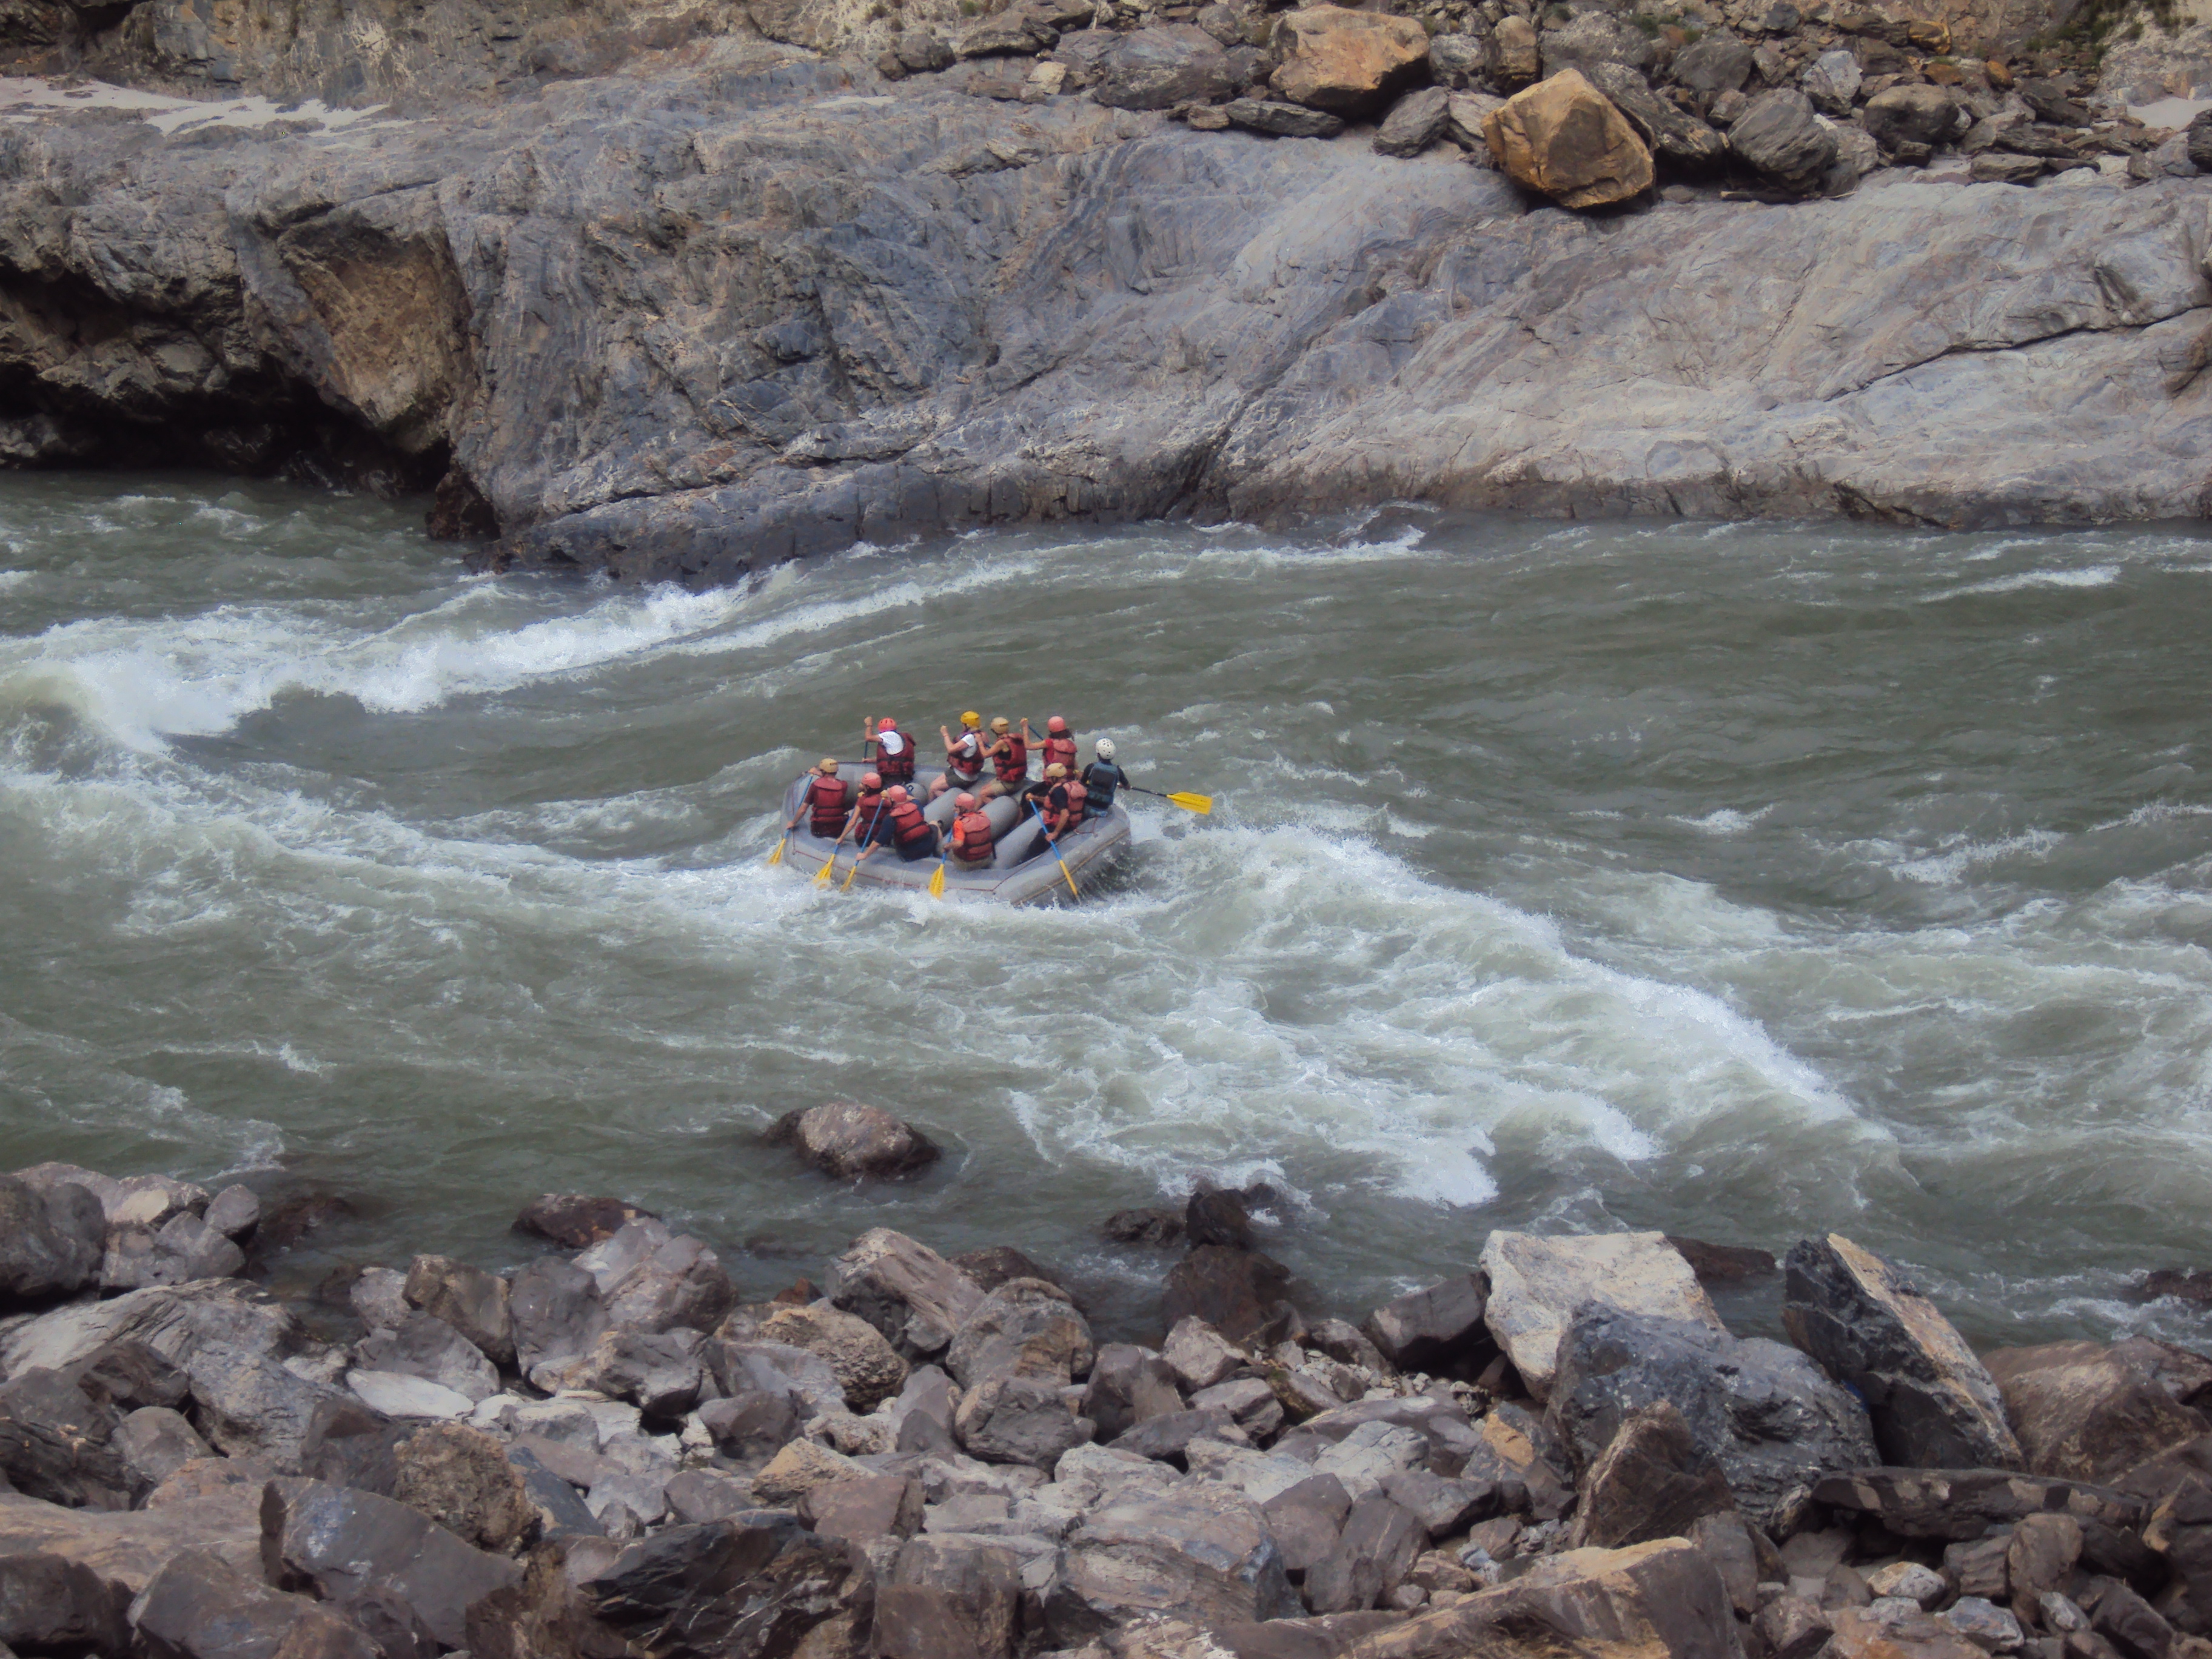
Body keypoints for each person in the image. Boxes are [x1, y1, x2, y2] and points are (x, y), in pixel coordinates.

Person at [930, 711, 987, 801]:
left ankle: (957, 805)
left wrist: (945, 734)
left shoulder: (969, 738)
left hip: (964, 777)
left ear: (966, 725)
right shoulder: (982, 735)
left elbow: (951, 749)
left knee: (934, 788)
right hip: (958, 770)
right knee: (932, 785)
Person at [882, 785, 938, 860]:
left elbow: (880, 840)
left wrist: (865, 855)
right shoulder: (916, 805)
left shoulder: (891, 817)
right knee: (934, 823)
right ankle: (937, 852)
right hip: (926, 848)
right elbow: (915, 799)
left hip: (908, 854)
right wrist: (902, 796)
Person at [979, 716, 1028, 800]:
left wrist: (980, 742)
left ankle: (992, 811)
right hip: (1018, 779)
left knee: (983, 794)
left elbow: (985, 754)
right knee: (984, 788)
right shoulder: (1016, 738)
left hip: (1010, 784)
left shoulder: (1001, 743)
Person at [800, 758, 850, 838]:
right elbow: (833, 782)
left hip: (819, 828)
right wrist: (820, 774)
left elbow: (803, 809)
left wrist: (792, 822)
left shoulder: (815, 786)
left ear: (823, 771)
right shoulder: (844, 785)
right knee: (847, 813)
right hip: (838, 828)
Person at [1081, 739, 1128, 820]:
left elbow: (1081, 784)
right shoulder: (1118, 771)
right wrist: (1123, 786)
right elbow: (1127, 787)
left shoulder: (1091, 767)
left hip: (1088, 805)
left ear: (1098, 754)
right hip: (1104, 807)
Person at [947, 791, 996, 868]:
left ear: (963, 808)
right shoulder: (983, 815)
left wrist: (947, 846)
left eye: (956, 806)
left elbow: (959, 844)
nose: (954, 809)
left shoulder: (959, 823)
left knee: (949, 854)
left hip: (969, 862)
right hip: (986, 858)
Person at [871, 717, 917, 786]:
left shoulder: (887, 735)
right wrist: (869, 760)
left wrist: (869, 725)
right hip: (905, 774)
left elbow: (868, 737)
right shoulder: (897, 738)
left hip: (893, 776)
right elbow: (892, 758)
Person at [1030, 715, 1077, 779]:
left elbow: (1028, 746)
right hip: (1069, 777)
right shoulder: (1070, 744)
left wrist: (1024, 727)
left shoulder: (1048, 743)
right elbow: (1074, 764)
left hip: (1053, 780)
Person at [845, 772, 886, 842]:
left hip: (864, 837)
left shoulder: (862, 800)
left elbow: (852, 822)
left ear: (867, 787)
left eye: (862, 784)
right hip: (882, 838)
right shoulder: (887, 799)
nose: (860, 785)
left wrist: (842, 837)